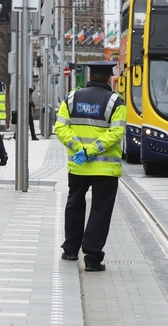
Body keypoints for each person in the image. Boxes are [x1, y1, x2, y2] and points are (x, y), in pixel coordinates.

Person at [55, 61, 126, 272]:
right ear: (109, 78)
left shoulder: (71, 98)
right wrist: (91, 150)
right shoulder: (116, 102)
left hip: (78, 167)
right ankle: (92, 257)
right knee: (100, 211)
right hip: (105, 169)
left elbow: (60, 128)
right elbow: (115, 134)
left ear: (90, 75)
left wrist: (79, 149)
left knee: (74, 204)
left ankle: (70, 249)